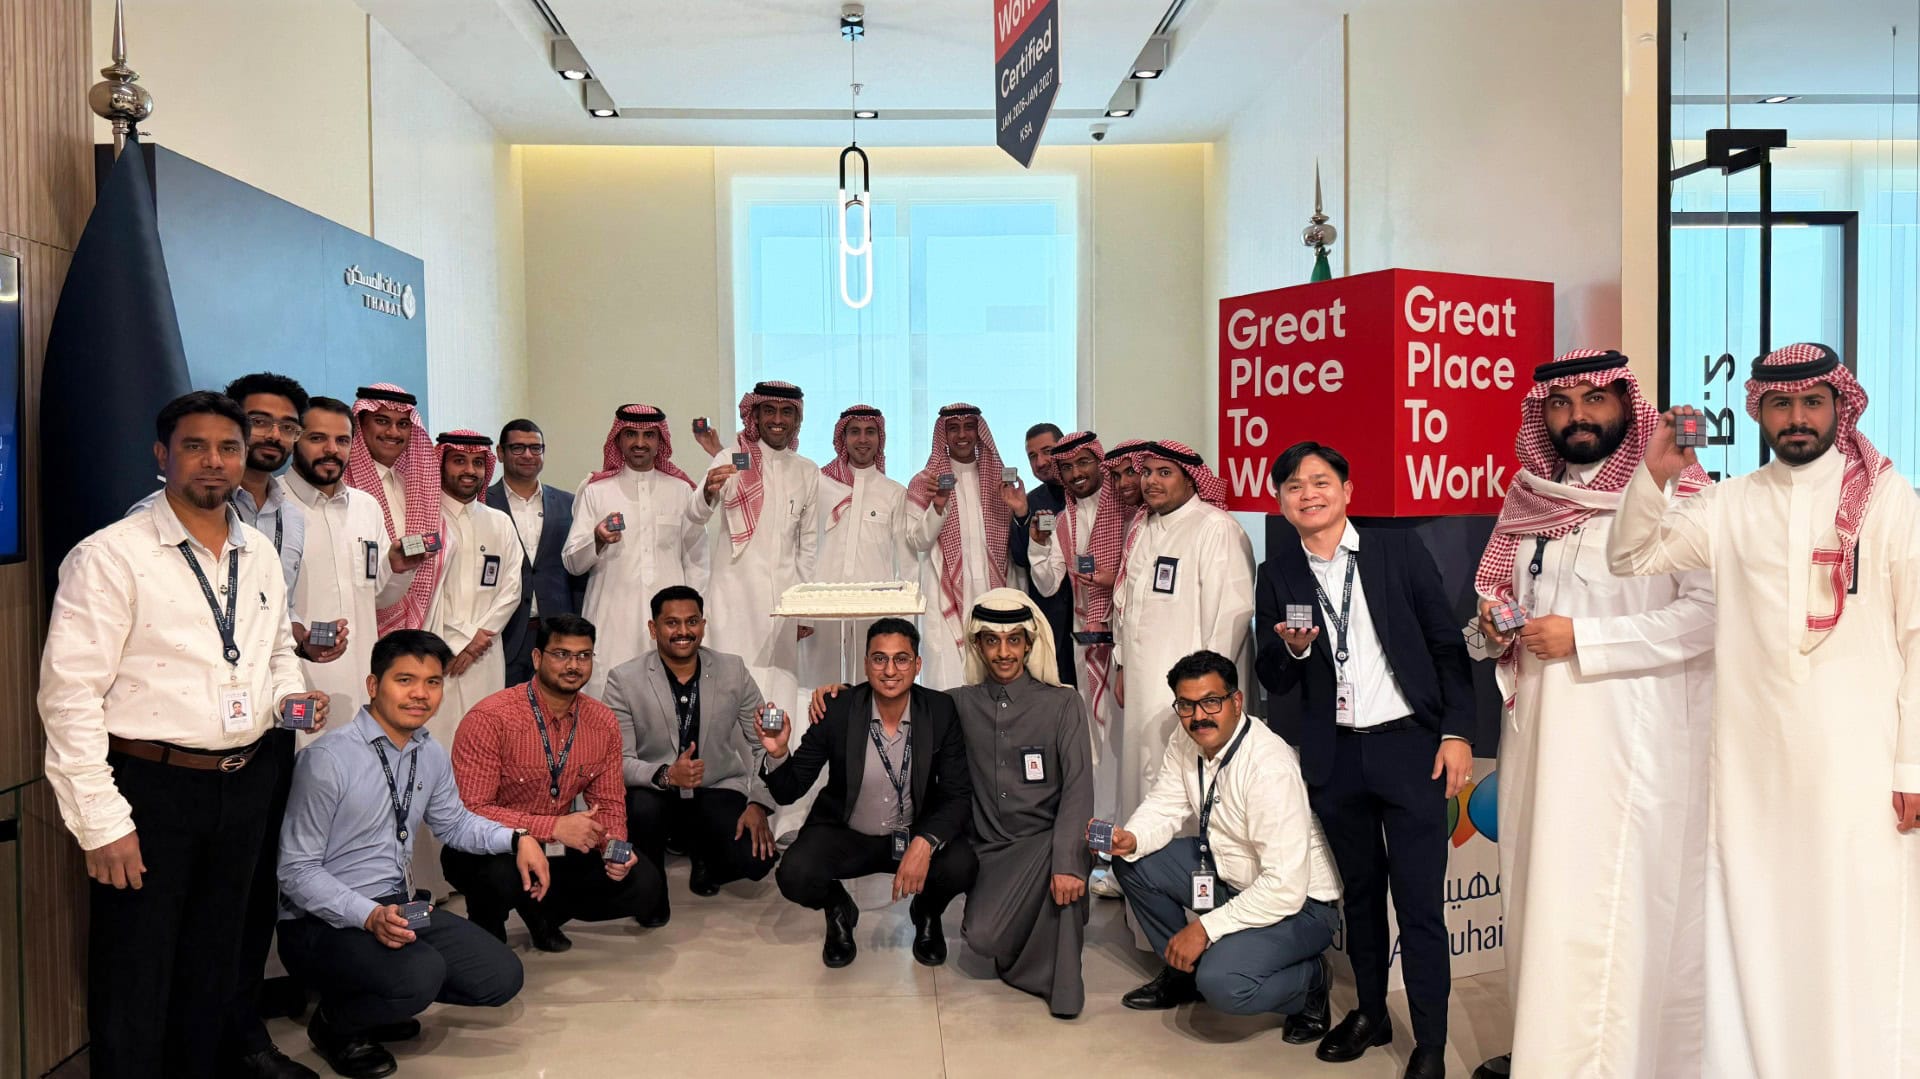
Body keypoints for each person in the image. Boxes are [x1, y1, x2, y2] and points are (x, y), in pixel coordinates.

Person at [1608, 342, 1920, 1078]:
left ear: (1840, 406)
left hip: (1861, 772)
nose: (1797, 417)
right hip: (1754, 778)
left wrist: (1913, 764)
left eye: (1812, 402)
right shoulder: (1732, 503)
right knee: (1761, 935)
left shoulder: (1888, 499)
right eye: (1781, 404)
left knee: (1858, 935)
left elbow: (1917, 634)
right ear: (1758, 412)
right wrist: (1655, 473)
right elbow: (1631, 558)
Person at [39, 391, 326, 1079]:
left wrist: (289, 701)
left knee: (214, 964)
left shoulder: (257, 551)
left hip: (245, 780)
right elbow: (69, 697)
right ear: (162, 455)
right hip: (149, 788)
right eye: (195, 446)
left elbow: (274, 652)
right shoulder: (110, 556)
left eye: (228, 447)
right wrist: (101, 822)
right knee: (136, 973)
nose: (214, 461)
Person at [1468, 350, 1716, 1079]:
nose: (1576, 415)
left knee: (1607, 902)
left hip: (1628, 739)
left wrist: (1587, 638)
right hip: (1538, 736)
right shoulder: (1531, 499)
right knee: (1541, 894)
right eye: (1560, 403)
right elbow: (1497, 603)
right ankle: (1545, 1051)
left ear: (1625, 405)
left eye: (1593, 399)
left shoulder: (1680, 493)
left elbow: (1707, 617)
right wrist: (1492, 628)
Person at [1254, 441, 1474, 1079]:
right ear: (1281, 502)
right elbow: (1273, 676)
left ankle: (1429, 1042)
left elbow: (1445, 645)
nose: (1308, 494)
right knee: (1361, 898)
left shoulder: (1395, 550)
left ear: (1347, 490)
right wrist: (1294, 650)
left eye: (1320, 481)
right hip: (1337, 755)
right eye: (1294, 486)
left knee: (1420, 904)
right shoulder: (1278, 573)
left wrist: (1457, 732)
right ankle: (1372, 1012)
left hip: (1410, 748)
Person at [277, 630, 548, 1079]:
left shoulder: (429, 752)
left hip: (399, 907)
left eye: (433, 682)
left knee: (500, 976)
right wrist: (368, 915)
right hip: (322, 920)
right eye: (404, 680)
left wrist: (519, 838)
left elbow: (454, 823)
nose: (420, 694)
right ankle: (336, 1025)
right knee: (419, 974)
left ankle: (382, 1002)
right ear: (373, 685)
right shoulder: (328, 759)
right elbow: (296, 871)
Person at [1108, 650, 1341, 1036]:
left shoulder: (1269, 767)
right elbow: (1165, 803)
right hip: (1228, 875)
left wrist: (1204, 929)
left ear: (1236, 701)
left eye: (1211, 702)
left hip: (1300, 906)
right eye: (1186, 705)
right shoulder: (1187, 740)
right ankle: (1184, 974)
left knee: (1224, 984)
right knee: (1134, 860)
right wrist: (1133, 837)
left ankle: (1311, 980)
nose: (1198, 716)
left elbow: (1284, 887)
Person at [760, 618, 978, 968]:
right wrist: (777, 752)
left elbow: (957, 794)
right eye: (879, 659)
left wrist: (925, 843)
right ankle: (838, 909)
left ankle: (926, 912)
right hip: (848, 834)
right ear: (866, 664)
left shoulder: (940, 710)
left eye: (901, 659)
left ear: (917, 664)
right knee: (794, 874)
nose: (890, 670)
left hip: (912, 834)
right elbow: (789, 790)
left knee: (962, 864)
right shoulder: (838, 709)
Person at [445, 613, 656, 952]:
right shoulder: (490, 718)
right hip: (491, 845)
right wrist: (553, 827)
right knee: (499, 876)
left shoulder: (602, 721)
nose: (573, 665)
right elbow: (472, 810)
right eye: (561, 654)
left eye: (583, 656)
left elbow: (610, 803)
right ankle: (486, 926)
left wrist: (615, 849)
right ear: (537, 658)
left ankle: (542, 913)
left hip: (557, 843)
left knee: (643, 884)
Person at [949, 588, 1093, 1019]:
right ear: (977, 645)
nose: (1003, 652)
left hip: (1048, 841)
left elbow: (1079, 788)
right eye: (991, 640)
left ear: (1030, 644)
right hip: (991, 851)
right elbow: (898, 703)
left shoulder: (1063, 702)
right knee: (982, 939)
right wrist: (840, 694)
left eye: (1014, 640)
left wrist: (1067, 861)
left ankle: (1061, 987)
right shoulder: (958, 704)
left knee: (1064, 887)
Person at [604, 585, 780, 925]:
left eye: (692, 621)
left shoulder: (733, 670)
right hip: (655, 792)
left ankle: (705, 855)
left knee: (757, 862)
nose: (683, 631)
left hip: (716, 787)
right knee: (642, 808)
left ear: (703, 624)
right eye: (672, 623)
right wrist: (667, 774)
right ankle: (651, 887)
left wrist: (758, 803)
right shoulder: (623, 680)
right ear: (653, 628)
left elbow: (764, 745)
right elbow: (617, 762)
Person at [1111, 440, 1254, 833]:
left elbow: (1231, 615)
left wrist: (1208, 694)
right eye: (1146, 472)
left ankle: (1189, 858)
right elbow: (1126, 606)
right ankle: (1139, 848)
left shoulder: (1215, 528)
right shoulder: (1142, 527)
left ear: (1191, 480)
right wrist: (1122, 665)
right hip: (1143, 684)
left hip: (1194, 693)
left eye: (1164, 473)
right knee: (1142, 767)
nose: (1151, 481)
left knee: (1188, 776)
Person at [687, 381, 820, 719]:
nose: (777, 419)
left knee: (779, 692)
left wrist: (804, 611)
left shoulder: (806, 470)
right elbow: (695, 515)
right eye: (769, 411)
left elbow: (808, 547)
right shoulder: (731, 458)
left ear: (797, 420)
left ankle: (776, 752)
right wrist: (708, 491)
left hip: (782, 605)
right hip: (734, 600)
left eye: (786, 412)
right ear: (755, 416)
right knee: (729, 691)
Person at [288, 396, 423, 718]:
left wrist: (399, 569)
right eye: (317, 438)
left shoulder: (366, 507)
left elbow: (377, 596)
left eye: (342, 440)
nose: (331, 450)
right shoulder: (272, 505)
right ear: (294, 440)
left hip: (360, 674)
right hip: (297, 678)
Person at [563, 404, 708, 698]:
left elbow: (697, 561)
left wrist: (693, 619)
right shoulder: (595, 490)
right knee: (607, 700)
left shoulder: (681, 490)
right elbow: (572, 562)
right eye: (631, 434)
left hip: (669, 624)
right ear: (618, 438)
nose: (640, 443)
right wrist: (598, 539)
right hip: (611, 619)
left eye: (649, 435)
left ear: (660, 440)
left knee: (668, 699)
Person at [803, 403, 914, 686]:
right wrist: (804, 613)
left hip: (874, 608)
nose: (862, 439)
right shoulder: (820, 485)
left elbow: (906, 561)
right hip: (824, 606)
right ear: (843, 437)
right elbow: (805, 545)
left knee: (873, 685)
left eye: (870, 432)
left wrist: (904, 619)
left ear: (880, 438)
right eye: (854, 432)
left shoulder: (893, 492)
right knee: (820, 686)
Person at [906, 404, 1013, 689]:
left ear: (979, 432)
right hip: (944, 594)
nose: (962, 435)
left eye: (969, 427)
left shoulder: (999, 480)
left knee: (994, 681)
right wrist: (938, 506)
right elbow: (917, 540)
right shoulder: (924, 482)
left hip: (992, 591)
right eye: (953, 428)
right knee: (949, 683)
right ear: (944, 435)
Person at [424, 431, 522, 731]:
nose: (469, 470)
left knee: (484, 734)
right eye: (459, 461)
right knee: (437, 734)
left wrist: (476, 642)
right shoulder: (424, 519)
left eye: (478, 463)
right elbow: (423, 592)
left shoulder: (499, 521)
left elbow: (512, 590)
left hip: (485, 654)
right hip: (438, 648)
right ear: (441, 464)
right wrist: (465, 640)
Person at [486, 418, 584, 686]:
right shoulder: (483, 504)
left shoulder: (568, 503)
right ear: (500, 453)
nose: (528, 455)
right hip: (503, 634)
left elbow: (577, 571)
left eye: (535, 448)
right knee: (505, 707)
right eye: (517, 448)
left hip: (557, 634)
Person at [345, 384, 443, 634]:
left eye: (403, 424)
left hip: (418, 628)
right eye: (382, 421)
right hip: (356, 625)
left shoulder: (419, 486)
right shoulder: (341, 486)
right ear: (360, 424)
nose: (393, 432)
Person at [1004, 422, 1076, 685]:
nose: (1040, 462)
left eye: (1047, 451)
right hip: (1051, 613)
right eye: (1032, 456)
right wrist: (1022, 513)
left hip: (1088, 609)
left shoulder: (1086, 492)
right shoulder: (1032, 500)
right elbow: (1021, 558)